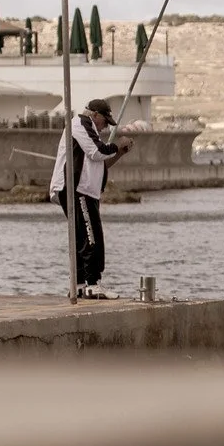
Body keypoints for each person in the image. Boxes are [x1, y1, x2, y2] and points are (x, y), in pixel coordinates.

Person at [48, 98, 135, 297]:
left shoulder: (91, 133)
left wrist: (119, 152)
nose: (106, 126)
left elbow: (101, 164)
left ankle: (79, 285)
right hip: (76, 190)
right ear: (95, 115)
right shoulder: (79, 124)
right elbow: (97, 153)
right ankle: (93, 285)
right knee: (91, 237)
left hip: (86, 192)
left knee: (81, 238)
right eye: (105, 121)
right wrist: (116, 144)